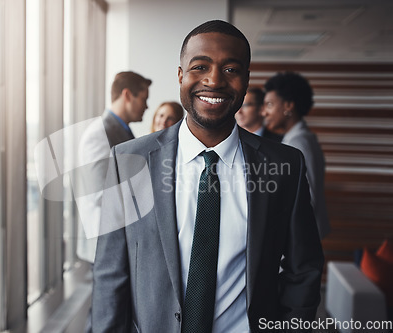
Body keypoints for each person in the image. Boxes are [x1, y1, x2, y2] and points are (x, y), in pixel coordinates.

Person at [92, 20, 323, 333]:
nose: (214, 80)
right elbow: (110, 273)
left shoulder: (285, 165)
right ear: (180, 76)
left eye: (231, 69)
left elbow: (303, 268)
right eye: (200, 66)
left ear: (246, 79)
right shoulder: (128, 161)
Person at [76, 71, 152, 264]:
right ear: (127, 95)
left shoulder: (122, 131)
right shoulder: (99, 135)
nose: (146, 106)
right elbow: (100, 194)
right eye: (143, 99)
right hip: (106, 247)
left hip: (120, 241)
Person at [263, 71, 331, 239]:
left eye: (270, 104)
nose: (264, 112)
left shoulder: (298, 144)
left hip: (300, 239)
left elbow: (307, 199)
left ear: (288, 106)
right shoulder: (299, 138)